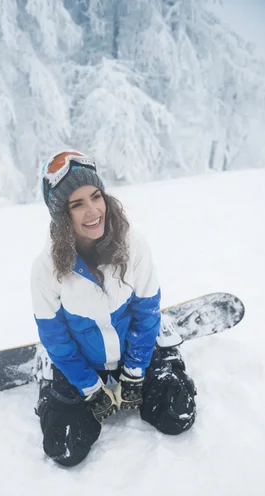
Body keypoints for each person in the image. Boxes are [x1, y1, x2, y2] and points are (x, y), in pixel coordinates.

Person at [30, 150, 196, 467]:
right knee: (64, 450)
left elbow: (146, 313)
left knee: (177, 416)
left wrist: (134, 373)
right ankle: (51, 375)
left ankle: (164, 348)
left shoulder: (132, 244)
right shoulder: (45, 268)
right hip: (80, 360)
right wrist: (90, 388)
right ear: (61, 215)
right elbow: (56, 338)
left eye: (96, 196)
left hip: (133, 347)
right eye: (76, 204)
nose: (93, 211)